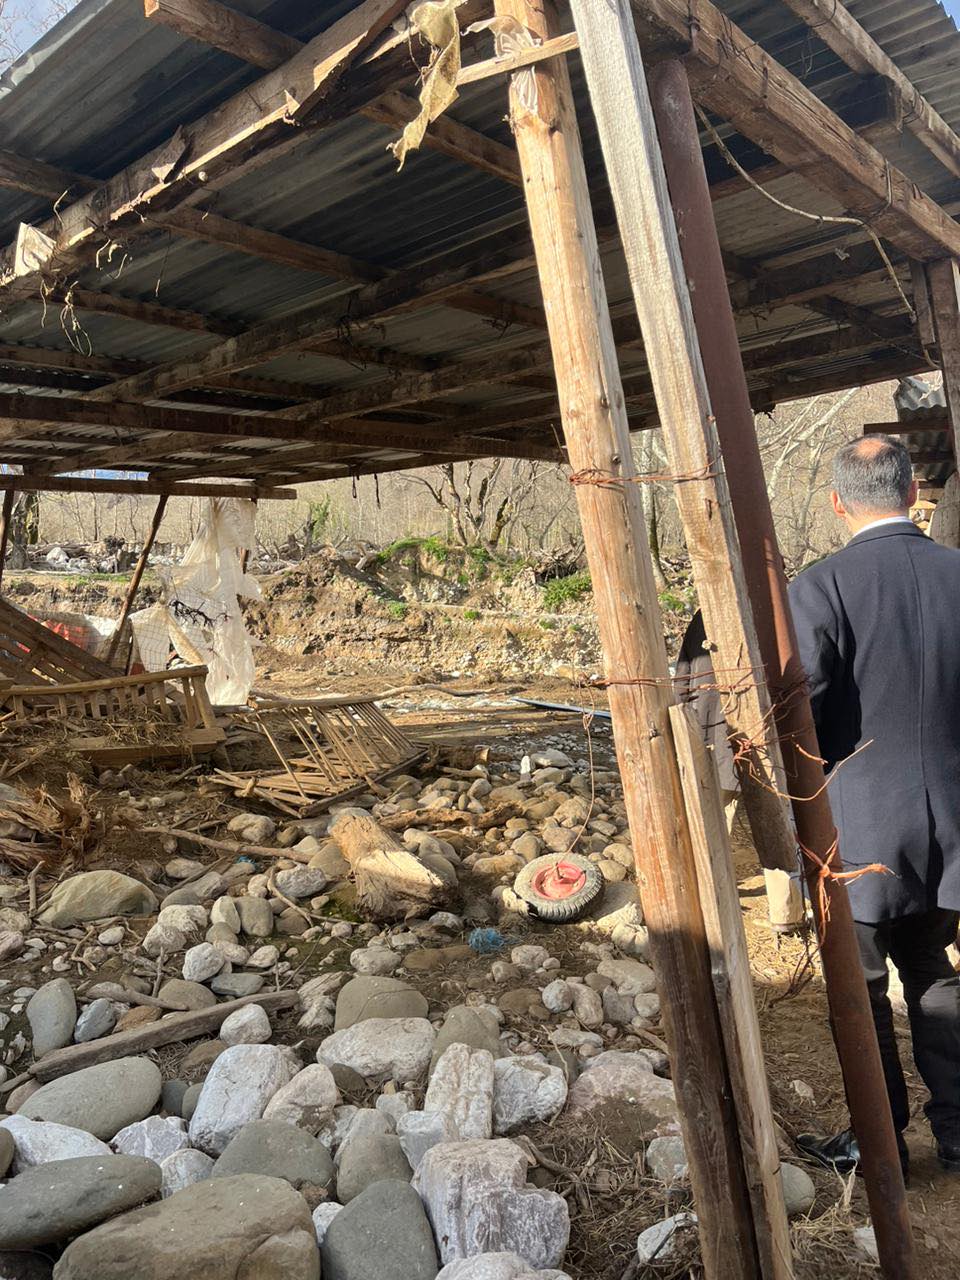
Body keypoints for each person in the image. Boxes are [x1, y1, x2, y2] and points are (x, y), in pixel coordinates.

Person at [789, 434, 960, 1177]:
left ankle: (879, 1142)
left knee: (860, 991)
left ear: (836, 502)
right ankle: (959, 1134)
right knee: (933, 970)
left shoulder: (821, 587)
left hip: (856, 828)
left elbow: (801, 708)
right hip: (952, 822)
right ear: (914, 490)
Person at [675, 610, 803, 931]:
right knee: (778, 824)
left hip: (714, 738)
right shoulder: (771, 611)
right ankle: (786, 914)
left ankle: (711, 899)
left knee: (712, 827)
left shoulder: (704, 616)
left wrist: (684, 729)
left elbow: (681, 682)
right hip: (763, 737)